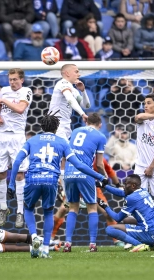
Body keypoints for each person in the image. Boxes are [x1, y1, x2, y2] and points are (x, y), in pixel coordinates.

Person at [8, 112, 107, 258]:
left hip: (34, 179)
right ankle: (46, 249)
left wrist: (11, 184)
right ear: (57, 127)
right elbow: (79, 164)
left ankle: (34, 235)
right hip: (51, 180)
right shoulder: (62, 142)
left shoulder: (32, 140)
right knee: (49, 212)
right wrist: (99, 176)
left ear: (41, 125)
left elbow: (17, 162)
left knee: (28, 208)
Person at [51, 158, 124, 247]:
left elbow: (110, 171)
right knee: (62, 210)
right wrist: (62, 188)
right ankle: (50, 238)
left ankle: (117, 240)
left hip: (93, 189)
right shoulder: (73, 156)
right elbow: (62, 171)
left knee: (107, 213)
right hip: (76, 188)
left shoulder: (99, 160)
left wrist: (118, 185)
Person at [0, 69, 33, 228]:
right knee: (1, 173)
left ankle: (20, 212)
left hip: (17, 136)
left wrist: (1, 100)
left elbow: (20, 109)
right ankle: (3, 208)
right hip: (1, 135)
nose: (12, 82)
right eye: (10, 79)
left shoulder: (26, 91)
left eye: (15, 79)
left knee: (19, 174)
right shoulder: (4, 90)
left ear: (22, 80)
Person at [63, 113, 107, 253]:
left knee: (72, 208)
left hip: (69, 172)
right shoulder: (100, 136)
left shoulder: (75, 131)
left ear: (87, 122)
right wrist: (104, 178)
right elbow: (99, 164)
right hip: (85, 173)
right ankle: (92, 244)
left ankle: (67, 243)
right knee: (92, 208)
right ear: (100, 124)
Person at [48, 63, 91, 201]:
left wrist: (83, 91)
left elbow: (87, 104)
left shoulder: (74, 89)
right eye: (76, 71)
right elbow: (70, 100)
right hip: (56, 123)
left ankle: (63, 187)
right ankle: (62, 189)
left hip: (66, 125)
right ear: (67, 73)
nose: (78, 74)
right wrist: (83, 114)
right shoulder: (62, 84)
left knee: (65, 157)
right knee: (65, 155)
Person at [97, 174, 154, 252]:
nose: (124, 186)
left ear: (133, 185)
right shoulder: (143, 190)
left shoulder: (132, 198)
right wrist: (104, 186)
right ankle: (152, 245)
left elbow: (117, 218)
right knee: (127, 220)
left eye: (126, 184)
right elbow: (121, 193)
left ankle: (138, 244)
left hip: (150, 233)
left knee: (109, 229)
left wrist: (105, 206)